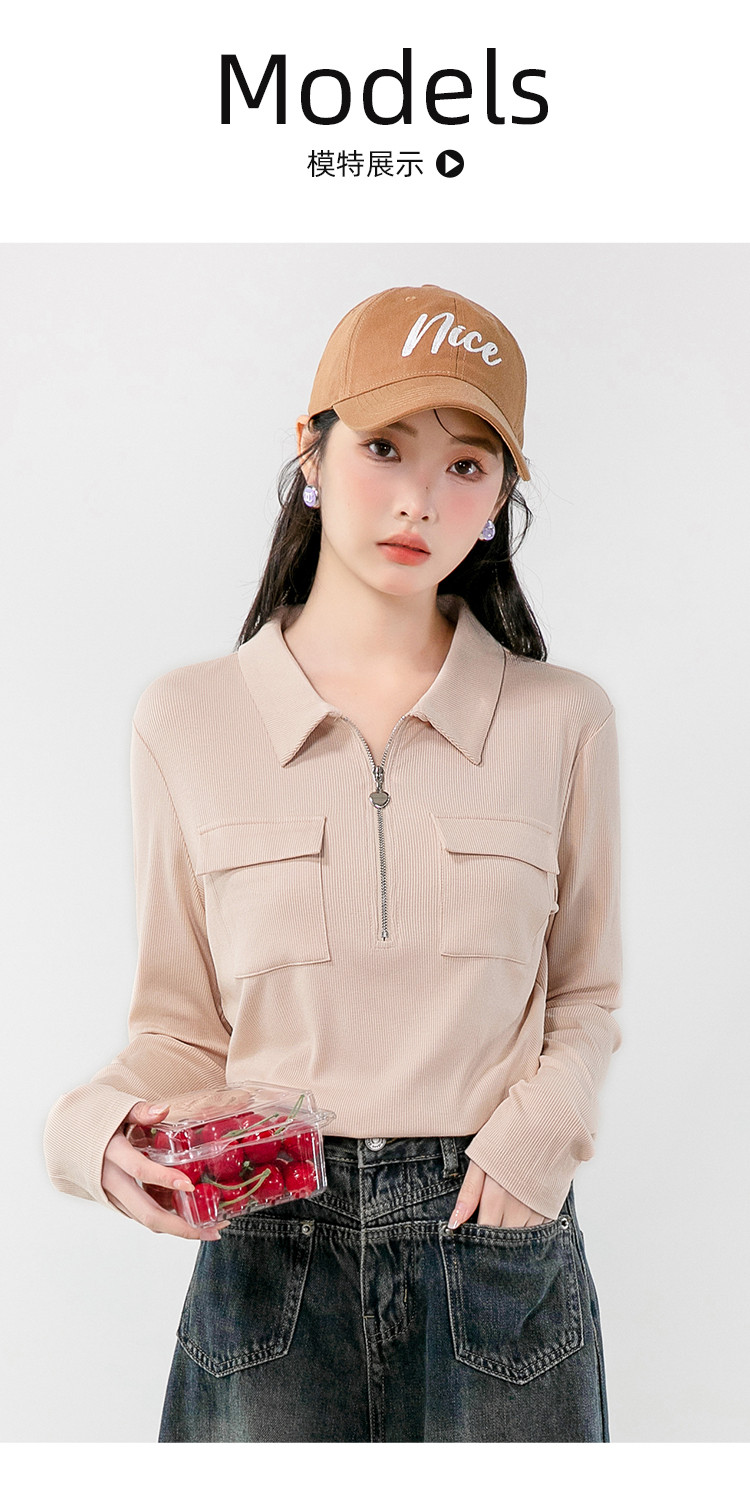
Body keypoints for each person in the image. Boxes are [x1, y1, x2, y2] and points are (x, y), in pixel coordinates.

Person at [43, 282, 623, 1443]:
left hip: (494, 1245)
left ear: (500, 498)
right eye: (385, 445)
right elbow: (181, 1030)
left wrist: (536, 1143)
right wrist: (91, 1134)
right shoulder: (188, 719)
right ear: (310, 449)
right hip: (269, 1239)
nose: (419, 498)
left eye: (467, 465)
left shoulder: (562, 718)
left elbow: (586, 994)